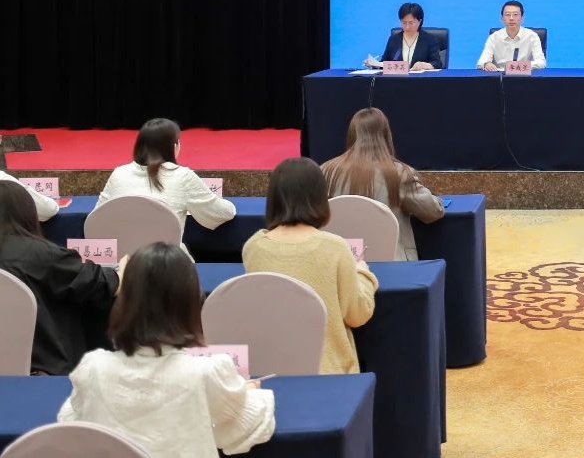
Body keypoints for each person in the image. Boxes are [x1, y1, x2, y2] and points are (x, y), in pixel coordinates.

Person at [58, 242, 275, 458]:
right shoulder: (208, 371)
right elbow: (240, 430)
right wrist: (248, 393)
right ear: (191, 301)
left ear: (124, 301)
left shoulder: (94, 368)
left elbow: (72, 421)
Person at [242, 157, 377, 374]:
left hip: (270, 370)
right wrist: (362, 272)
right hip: (327, 372)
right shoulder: (335, 247)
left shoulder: (253, 247)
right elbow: (357, 314)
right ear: (320, 198)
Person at [0, 182, 118, 375]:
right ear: (26, 213)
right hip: (47, 371)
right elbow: (101, 283)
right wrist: (123, 271)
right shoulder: (40, 254)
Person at [321, 108, 445, 260]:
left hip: (343, 262)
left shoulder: (325, 171)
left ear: (351, 134)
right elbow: (432, 211)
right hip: (392, 264)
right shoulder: (399, 173)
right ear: (386, 135)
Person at [96, 118, 236, 232]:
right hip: (166, 258)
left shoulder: (119, 173)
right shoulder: (182, 176)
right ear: (174, 146)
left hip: (123, 258)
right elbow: (220, 213)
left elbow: (97, 218)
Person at [364, 1, 442, 71]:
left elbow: (437, 63)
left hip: (420, 80)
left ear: (420, 21)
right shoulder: (394, 39)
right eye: (404, 23)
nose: (407, 27)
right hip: (397, 80)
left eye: (411, 23)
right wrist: (375, 64)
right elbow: (384, 63)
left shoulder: (429, 39)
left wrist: (425, 65)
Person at [477, 0, 546, 71]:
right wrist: (486, 64)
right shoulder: (494, 37)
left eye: (515, 14)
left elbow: (541, 62)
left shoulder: (532, 36)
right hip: (500, 76)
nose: (511, 18)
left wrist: (516, 67)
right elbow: (481, 62)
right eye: (507, 15)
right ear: (502, 19)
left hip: (524, 75)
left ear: (522, 18)